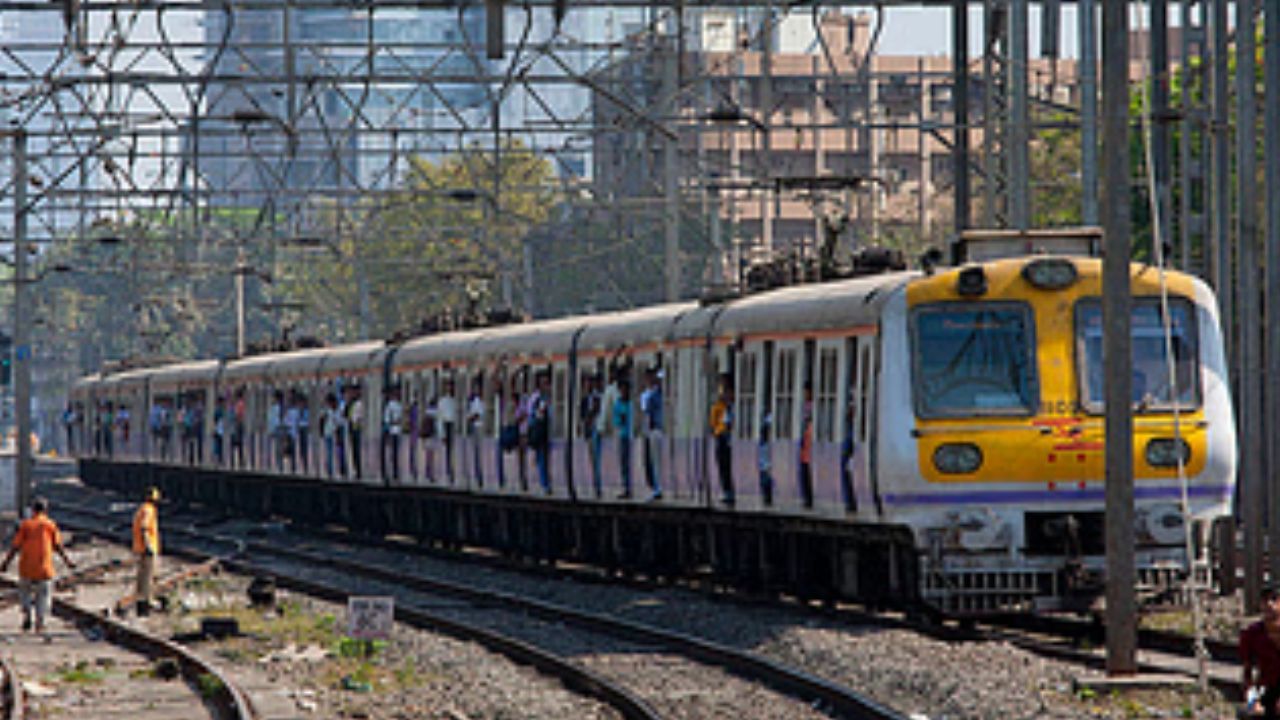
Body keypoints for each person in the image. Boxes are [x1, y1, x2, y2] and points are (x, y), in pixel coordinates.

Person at [1, 497, 75, 634]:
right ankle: (40, 621)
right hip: (45, 569)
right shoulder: (50, 525)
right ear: (46, 510)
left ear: (33, 510)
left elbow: (15, 547)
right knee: (44, 594)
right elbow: (58, 546)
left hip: (26, 568)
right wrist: (68, 561)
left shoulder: (26, 525)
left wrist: (5, 564)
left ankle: (27, 613)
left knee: (24, 592)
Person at [1241, 585, 1280, 719]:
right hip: (1267, 688)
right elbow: (1248, 672)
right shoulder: (1253, 633)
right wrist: (1252, 701)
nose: (1269, 604)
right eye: (1265, 600)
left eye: (1274, 599)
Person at [132, 487, 161, 615]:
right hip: (147, 549)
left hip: (141, 547)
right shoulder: (149, 510)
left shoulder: (142, 509)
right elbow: (144, 528)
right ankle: (146, 604)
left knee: (143, 578)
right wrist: (148, 546)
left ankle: (142, 603)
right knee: (148, 578)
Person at [639, 368, 664, 500]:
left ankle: (657, 487)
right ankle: (655, 487)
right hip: (651, 431)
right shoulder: (649, 396)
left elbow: (647, 414)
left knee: (655, 461)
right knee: (651, 460)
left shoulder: (654, 396)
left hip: (655, 430)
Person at [709, 378, 735, 506]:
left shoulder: (734, 406)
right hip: (721, 437)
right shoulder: (717, 406)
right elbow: (713, 424)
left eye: (726, 390)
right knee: (722, 465)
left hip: (730, 437)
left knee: (728, 466)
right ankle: (726, 490)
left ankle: (729, 490)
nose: (723, 393)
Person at [580, 373, 604, 497]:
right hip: (589, 431)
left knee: (596, 459)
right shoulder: (585, 399)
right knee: (593, 459)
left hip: (597, 430)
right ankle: (595, 485)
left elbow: (597, 411)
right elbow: (582, 416)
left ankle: (598, 486)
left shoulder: (598, 397)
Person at [528, 372, 552, 495]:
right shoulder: (537, 398)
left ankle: (546, 483)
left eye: (548, 383)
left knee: (544, 458)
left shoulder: (547, 398)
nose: (547, 386)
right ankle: (544, 484)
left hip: (546, 432)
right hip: (540, 432)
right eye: (544, 383)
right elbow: (533, 415)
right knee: (542, 458)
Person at [614, 378, 634, 499]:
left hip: (631, 436)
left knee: (629, 463)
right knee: (624, 464)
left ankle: (629, 487)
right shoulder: (618, 404)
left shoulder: (632, 404)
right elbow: (616, 421)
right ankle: (625, 487)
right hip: (623, 436)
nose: (624, 391)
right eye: (622, 389)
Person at [437, 379, 458, 484]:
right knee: (448, 450)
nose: (450, 389)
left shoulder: (455, 401)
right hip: (446, 424)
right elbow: (440, 418)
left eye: (451, 387)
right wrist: (442, 433)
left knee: (453, 449)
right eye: (448, 387)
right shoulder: (442, 401)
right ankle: (449, 472)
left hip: (453, 424)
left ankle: (453, 471)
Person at [382, 385, 404, 484]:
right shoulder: (390, 405)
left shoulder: (399, 405)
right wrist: (393, 422)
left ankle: (395, 471)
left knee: (395, 452)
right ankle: (393, 471)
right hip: (393, 430)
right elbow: (387, 419)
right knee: (393, 452)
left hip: (398, 431)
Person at [798, 382, 815, 509]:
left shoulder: (811, 407)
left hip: (808, 441)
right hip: (805, 441)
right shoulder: (805, 407)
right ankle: (805, 497)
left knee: (806, 469)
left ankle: (808, 498)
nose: (805, 395)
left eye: (806, 392)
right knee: (803, 468)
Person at [466, 379, 485, 487]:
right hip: (475, 428)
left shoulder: (480, 401)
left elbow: (478, 414)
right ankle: (477, 476)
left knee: (479, 454)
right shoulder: (473, 401)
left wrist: (471, 417)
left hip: (480, 428)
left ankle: (479, 477)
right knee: (476, 454)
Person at [758, 410, 774, 507]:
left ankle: (767, 497)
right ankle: (767, 497)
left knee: (765, 476)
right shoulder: (764, 444)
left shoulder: (763, 444)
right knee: (765, 475)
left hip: (764, 457)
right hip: (765, 457)